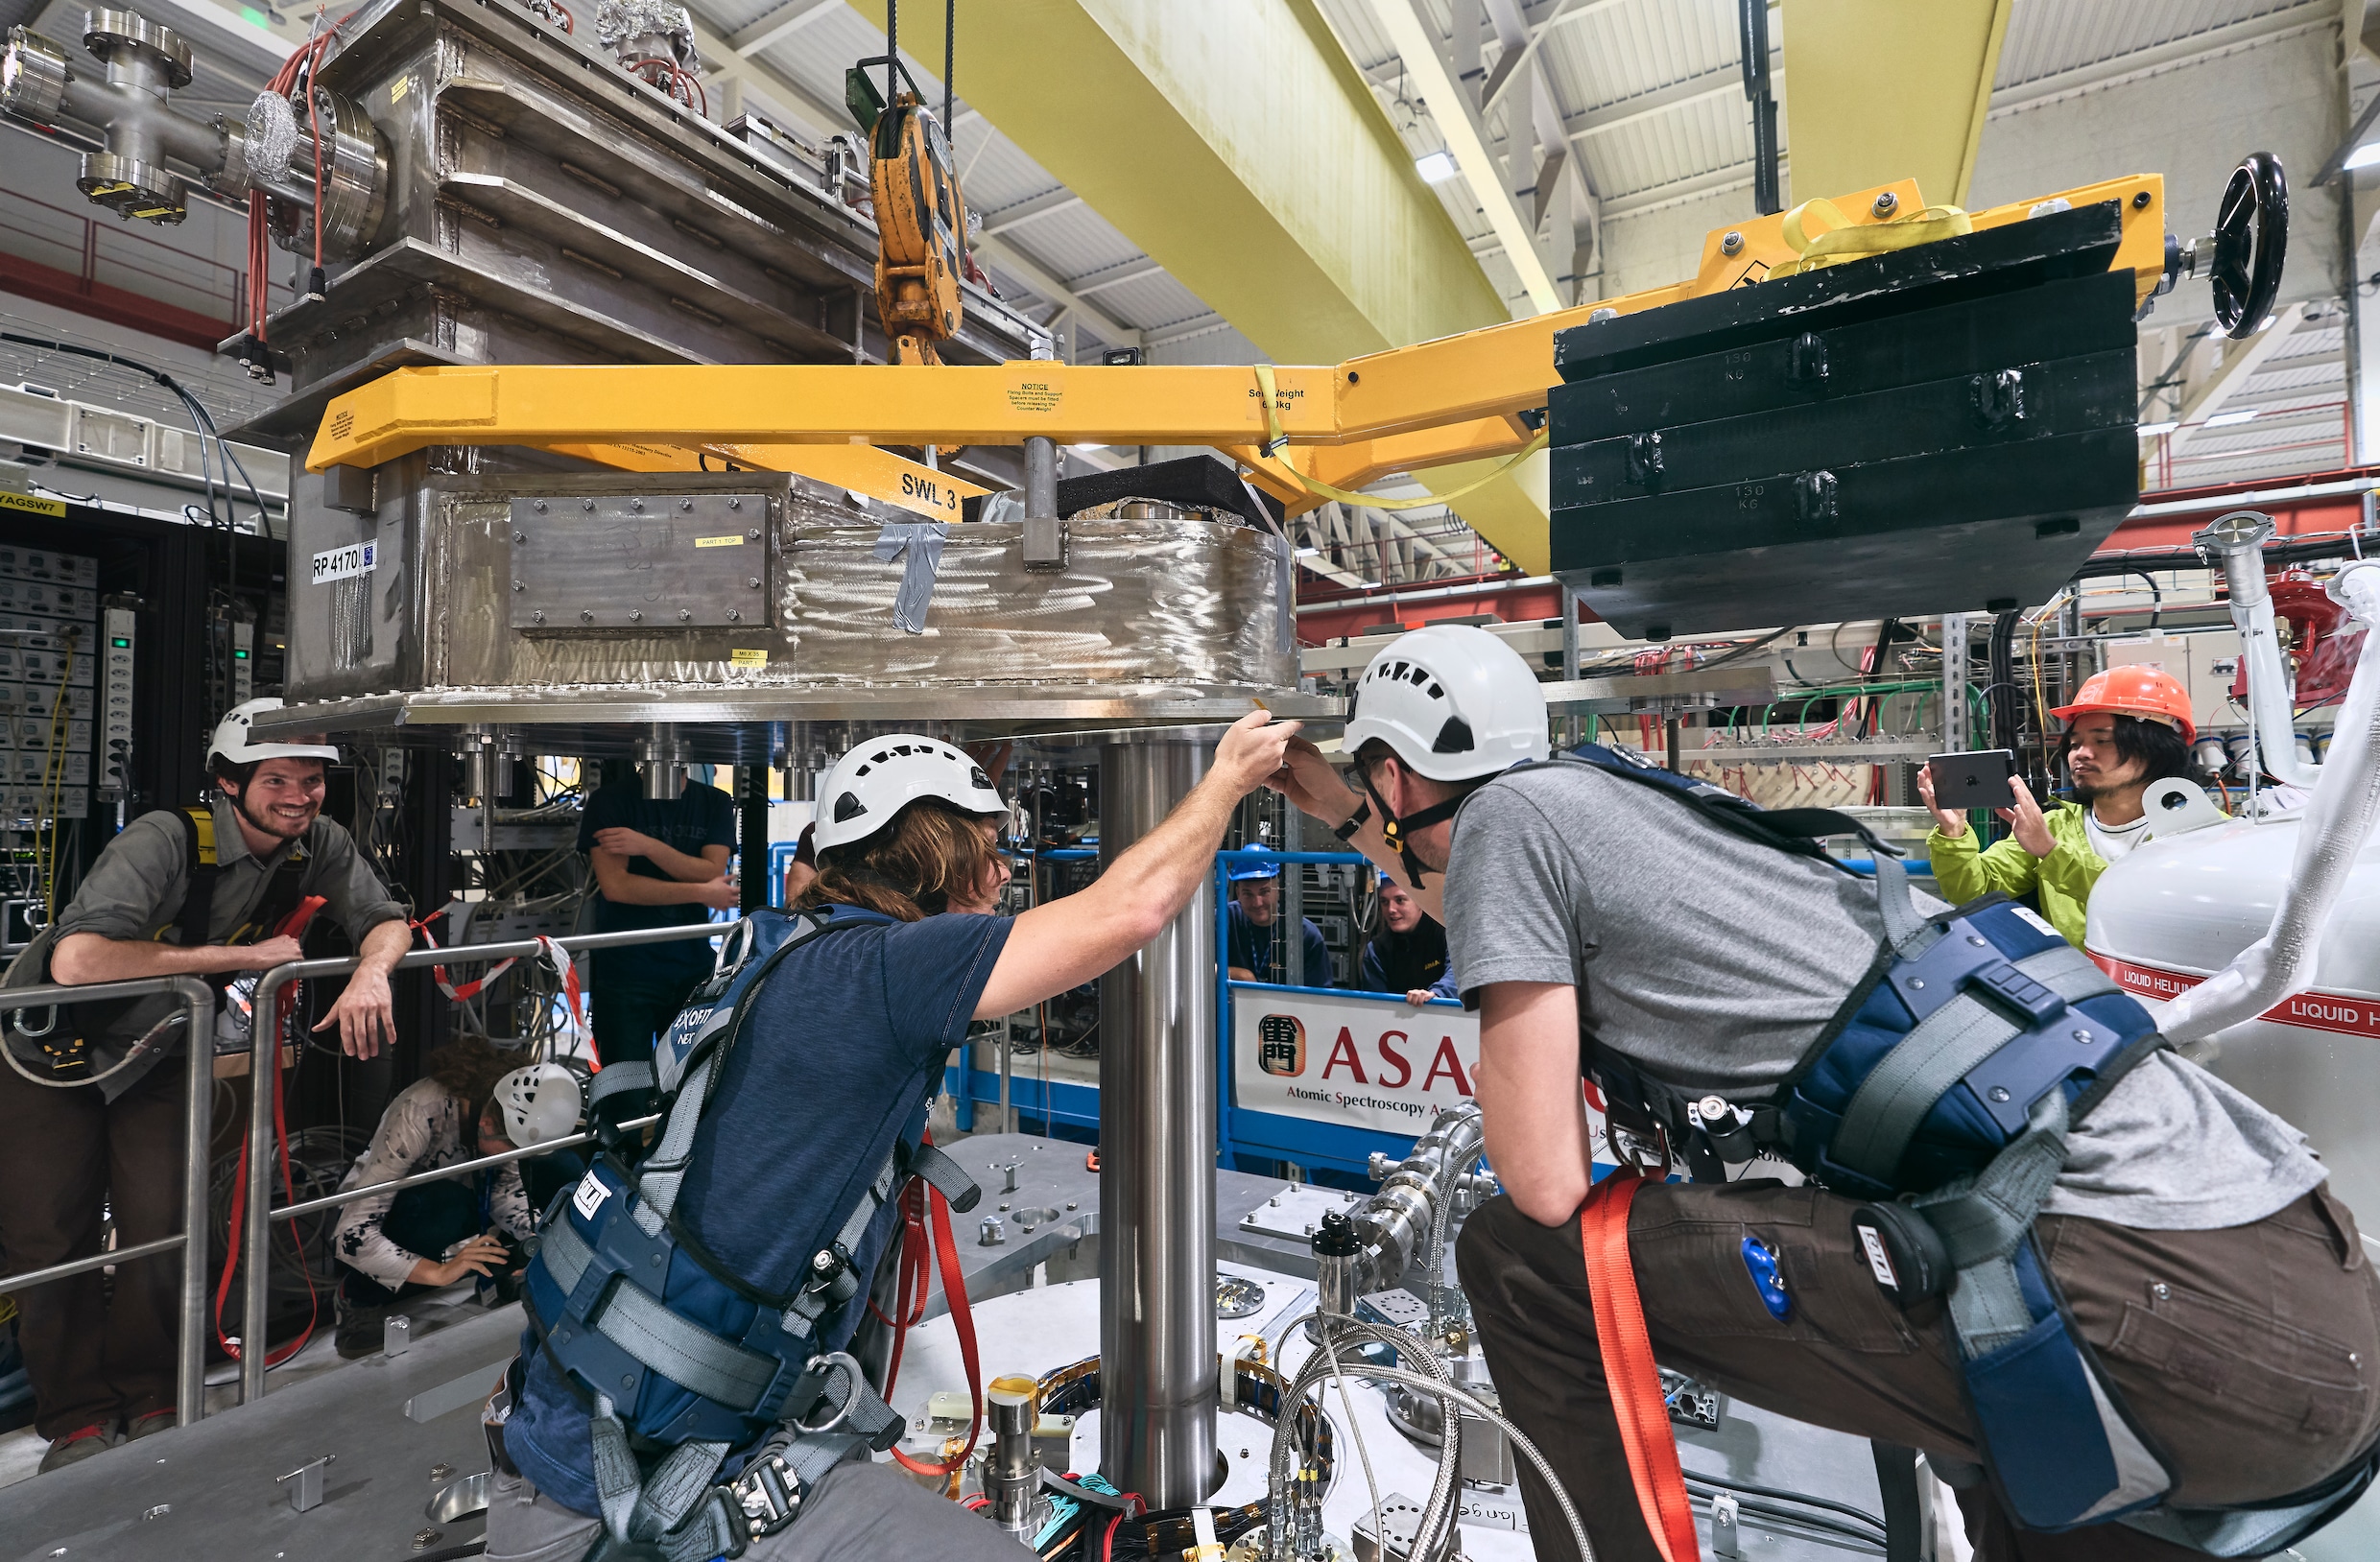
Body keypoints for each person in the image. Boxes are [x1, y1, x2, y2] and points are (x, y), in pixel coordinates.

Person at [1270, 624, 2377, 1562]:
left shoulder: (1507, 827)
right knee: (1989, 1443)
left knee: (1520, 1260)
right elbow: (1434, 865)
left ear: (1396, 770)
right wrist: (1332, 801)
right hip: (2303, 1290)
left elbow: (1547, 1181)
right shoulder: (1615, 797)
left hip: (2168, 1311)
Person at [490, 713, 1299, 1562]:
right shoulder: (888, 967)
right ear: (930, 850)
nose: (1001, 872)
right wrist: (1227, 781)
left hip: (579, 1418)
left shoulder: (789, 946)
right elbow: (1130, 911)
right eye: (986, 847)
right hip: (629, 1493)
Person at [0, 698, 410, 1470]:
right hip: (48, 1056)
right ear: (228, 782)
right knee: (52, 1237)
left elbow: (382, 917)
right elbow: (78, 962)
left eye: (312, 780)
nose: (299, 795)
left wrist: (372, 976)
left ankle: (154, 1395)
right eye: (277, 779)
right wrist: (239, 960)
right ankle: (78, 1418)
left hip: (156, 1053)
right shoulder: (164, 839)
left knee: (165, 1227)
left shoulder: (315, 842)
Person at [1920, 667, 2207, 947]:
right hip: (2080, 988)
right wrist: (1953, 833)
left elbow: (2154, 906)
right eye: (2074, 743)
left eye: (2102, 740)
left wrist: (2051, 852)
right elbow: (1973, 891)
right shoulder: (2056, 826)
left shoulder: (2200, 832)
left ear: (2157, 748)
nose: (2081, 754)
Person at [333, 1047, 586, 1357]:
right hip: (389, 1216)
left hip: (458, 1206)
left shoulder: (501, 1110)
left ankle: (509, 1267)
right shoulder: (420, 1110)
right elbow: (351, 1235)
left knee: (563, 1166)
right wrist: (441, 1273)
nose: (513, 1155)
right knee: (447, 1204)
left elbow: (505, 1193)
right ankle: (358, 1298)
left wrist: (543, 1243)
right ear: (489, 1124)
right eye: (511, 1146)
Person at [576, 761, 740, 1081]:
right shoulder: (610, 801)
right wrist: (701, 892)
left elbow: (712, 871)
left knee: (688, 1086)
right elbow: (617, 887)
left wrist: (647, 846)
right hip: (626, 972)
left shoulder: (714, 802)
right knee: (623, 1094)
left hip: (692, 971)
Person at [1224, 857, 1332, 986]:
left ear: (1279, 891)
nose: (1257, 903)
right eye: (1248, 894)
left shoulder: (1306, 936)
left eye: (1265, 892)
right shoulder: (1224, 920)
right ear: (1238, 893)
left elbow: (1319, 998)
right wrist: (1237, 975)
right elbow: (1195, 966)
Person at [1357, 872, 1457, 1004]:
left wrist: (1436, 995)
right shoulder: (1376, 950)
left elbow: (1457, 973)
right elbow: (1377, 1006)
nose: (1391, 909)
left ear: (1420, 901)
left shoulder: (1446, 934)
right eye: (1384, 902)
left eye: (1400, 900)